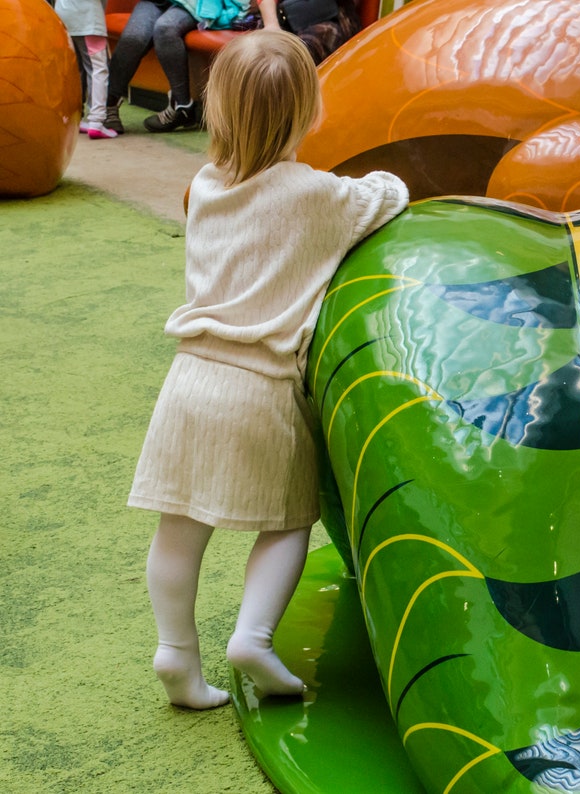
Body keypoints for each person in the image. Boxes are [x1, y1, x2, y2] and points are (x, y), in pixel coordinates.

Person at [127, 28, 409, 709]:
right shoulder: (318, 196)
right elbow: (391, 194)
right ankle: (252, 636)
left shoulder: (204, 184)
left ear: (217, 111)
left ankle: (175, 652)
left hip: (189, 381)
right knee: (286, 521)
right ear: (311, 115)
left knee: (178, 527)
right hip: (262, 388)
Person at [104, 0, 248, 135]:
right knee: (133, 38)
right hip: (155, 2)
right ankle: (109, 104)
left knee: (165, 29)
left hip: (192, 3)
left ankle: (182, 106)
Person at [54, 0, 118, 139]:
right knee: (98, 68)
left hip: (63, 16)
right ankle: (96, 121)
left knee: (74, 69)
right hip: (89, 18)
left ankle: (73, 118)